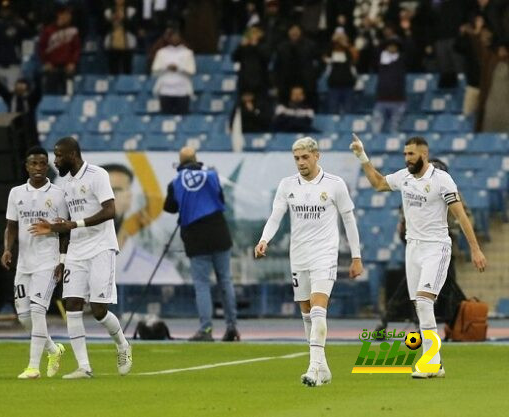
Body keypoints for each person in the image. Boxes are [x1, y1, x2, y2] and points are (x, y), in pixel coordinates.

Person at [350, 134, 487, 379]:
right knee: (420, 306)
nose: (406, 159)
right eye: (404, 154)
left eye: (410, 154)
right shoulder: (404, 177)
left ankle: (431, 362)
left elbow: (461, 216)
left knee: (424, 302)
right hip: (412, 249)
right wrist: (362, 155)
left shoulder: (441, 180)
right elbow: (379, 183)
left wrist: (475, 249)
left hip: (436, 247)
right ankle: (435, 362)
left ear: (423, 154)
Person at [254, 136, 363, 387]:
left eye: (304, 157)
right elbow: (276, 216)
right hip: (299, 256)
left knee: (317, 309)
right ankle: (323, 368)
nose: (300, 162)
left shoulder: (335, 184)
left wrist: (356, 257)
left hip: (324, 254)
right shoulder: (287, 185)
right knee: (306, 314)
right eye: (296, 158)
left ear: (317, 156)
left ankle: (313, 368)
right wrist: (264, 240)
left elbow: (349, 221)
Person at [28, 137, 132, 379]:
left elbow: (110, 211)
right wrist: (60, 251)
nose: (55, 161)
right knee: (72, 305)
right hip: (76, 250)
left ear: (73, 154)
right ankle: (84, 367)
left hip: (101, 247)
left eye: (58, 156)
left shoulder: (97, 175)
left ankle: (123, 345)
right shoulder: (63, 184)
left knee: (98, 310)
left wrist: (75, 224)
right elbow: (66, 224)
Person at [1, 146, 68, 379]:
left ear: (47, 165)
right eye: (34, 164)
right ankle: (53, 349)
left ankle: (33, 367)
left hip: (47, 262)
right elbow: (11, 225)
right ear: (27, 166)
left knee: (38, 310)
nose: (38, 168)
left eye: (42, 163)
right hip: (24, 263)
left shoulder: (58, 194)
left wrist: (62, 260)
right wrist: (7, 249)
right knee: (24, 317)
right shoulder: (16, 193)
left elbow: (65, 231)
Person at [163, 147, 240, 342]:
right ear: (196, 160)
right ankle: (232, 327)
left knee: (202, 285)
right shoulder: (212, 175)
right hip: (218, 231)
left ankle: (206, 330)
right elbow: (221, 199)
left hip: (195, 236)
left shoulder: (175, 182)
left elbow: (169, 208)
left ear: (180, 163)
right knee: (226, 281)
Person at [38, 5, 81, 95]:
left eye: (69, 15)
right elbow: (41, 48)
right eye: (66, 14)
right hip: (52, 68)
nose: (68, 17)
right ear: (59, 15)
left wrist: (73, 63)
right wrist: (46, 62)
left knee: (69, 93)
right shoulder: (48, 31)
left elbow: (76, 48)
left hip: (67, 68)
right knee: (50, 94)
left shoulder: (73, 30)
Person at [151, 28, 196, 115]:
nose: (175, 39)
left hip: (182, 91)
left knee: (182, 118)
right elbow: (154, 71)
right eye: (173, 36)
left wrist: (179, 68)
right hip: (165, 91)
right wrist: (166, 67)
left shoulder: (187, 53)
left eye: (177, 36)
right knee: (165, 116)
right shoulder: (161, 53)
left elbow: (192, 71)